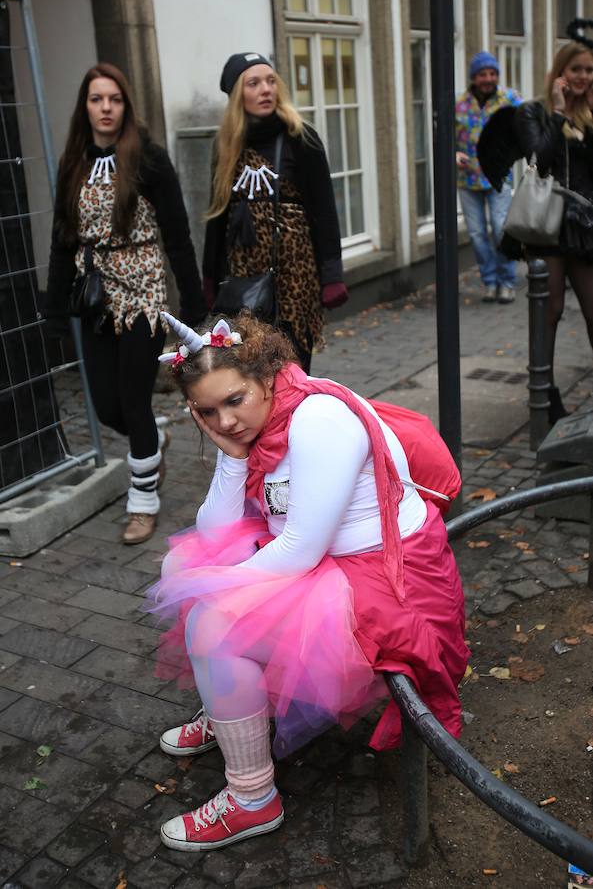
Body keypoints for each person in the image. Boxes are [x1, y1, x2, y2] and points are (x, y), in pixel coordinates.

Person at [147, 310, 469, 853]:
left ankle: (252, 800)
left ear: (267, 378)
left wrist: (212, 585)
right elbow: (215, 528)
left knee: (210, 623)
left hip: (390, 589)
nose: (225, 422)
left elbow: (300, 549)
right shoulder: (261, 426)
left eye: (235, 401)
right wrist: (231, 460)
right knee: (187, 564)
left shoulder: (317, 420)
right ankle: (229, 705)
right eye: (208, 412)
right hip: (333, 566)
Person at [43, 63, 207, 543]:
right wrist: (54, 311)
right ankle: (153, 439)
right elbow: (61, 242)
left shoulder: (148, 159)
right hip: (94, 293)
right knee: (106, 406)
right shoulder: (72, 163)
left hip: (142, 292)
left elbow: (178, 236)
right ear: (86, 107)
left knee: (133, 400)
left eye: (114, 99)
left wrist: (193, 305)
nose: (106, 107)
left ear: (125, 105)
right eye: (97, 99)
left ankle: (142, 503)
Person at [202, 52, 348, 373]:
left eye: (270, 81)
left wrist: (332, 274)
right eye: (254, 83)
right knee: (252, 372)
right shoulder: (226, 146)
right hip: (244, 281)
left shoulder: (301, 137)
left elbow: (324, 210)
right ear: (238, 93)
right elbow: (218, 217)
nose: (266, 89)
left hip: (295, 279)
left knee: (292, 372)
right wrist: (210, 277)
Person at [479, 36, 593, 423]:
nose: (583, 76)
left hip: (585, 224)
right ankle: (544, 397)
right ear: (561, 72)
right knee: (551, 309)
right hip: (547, 224)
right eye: (576, 69)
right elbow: (539, 160)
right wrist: (560, 113)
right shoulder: (533, 112)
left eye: (589, 70)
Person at [456, 51, 522, 304]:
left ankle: (507, 282)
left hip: (497, 176)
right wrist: (454, 153)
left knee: (500, 229)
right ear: (474, 77)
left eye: (493, 73)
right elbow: (445, 138)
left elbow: (527, 123)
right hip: (467, 179)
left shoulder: (510, 99)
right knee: (476, 234)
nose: (488, 78)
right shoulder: (458, 103)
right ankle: (490, 282)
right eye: (483, 74)